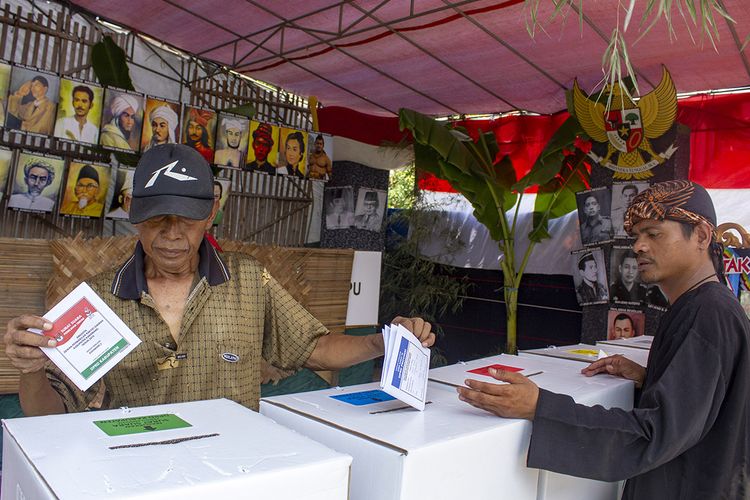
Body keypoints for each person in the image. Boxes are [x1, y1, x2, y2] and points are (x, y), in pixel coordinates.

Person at [4, 143, 435, 416]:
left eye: (187, 219)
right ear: (135, 216)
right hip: (139, 472)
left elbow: (314, 349)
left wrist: (380, 342)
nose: (172, 235)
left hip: (238, 464)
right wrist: (30, 370)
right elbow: (49, 413)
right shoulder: (97, 300)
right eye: (158, 219)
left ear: (210, 213)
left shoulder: (248, 281)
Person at [456, 180, 750, 500]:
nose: (638, 246)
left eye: (654, 233)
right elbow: (706, 404)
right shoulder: (705, 305)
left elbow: (652, 436)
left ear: (702, 236)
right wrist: (649, 378)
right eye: (637, 235)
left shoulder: (707, 314)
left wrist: (541, 407)